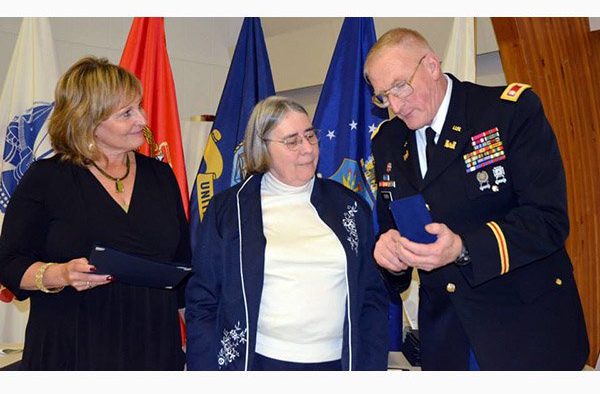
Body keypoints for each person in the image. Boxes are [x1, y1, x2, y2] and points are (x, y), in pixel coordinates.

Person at [364, 28, 589, 370]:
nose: (395, 105)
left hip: (525, 327)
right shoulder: (388, 141)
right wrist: (388, 254)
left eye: (400, 86)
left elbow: (548, 220)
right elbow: (393, 228)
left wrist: (463, 248)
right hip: (447, 337)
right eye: (383, 96)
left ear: (431, 66)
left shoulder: (506, 111)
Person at [0, 56, 190, 370]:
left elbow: (182, 265)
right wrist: (59, 274)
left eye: (139, 107)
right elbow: (8, 263)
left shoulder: (160, 175)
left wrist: (196, 340)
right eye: (126, 113)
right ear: (89, 122)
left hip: (155, 348)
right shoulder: (47, 178)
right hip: (73, 348)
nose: (142, 119)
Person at [185, 96, 389, 371]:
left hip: (338, 364)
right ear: (263, 148)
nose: (307, 149)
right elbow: (203, 301)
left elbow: (372, 298)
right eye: (292, 141)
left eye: (310, 136)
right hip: (257, 363)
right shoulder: (229, 210)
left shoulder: (350, 206)